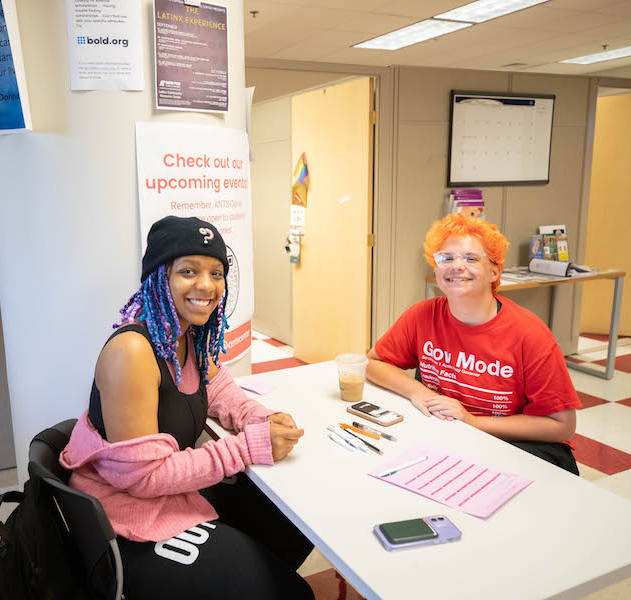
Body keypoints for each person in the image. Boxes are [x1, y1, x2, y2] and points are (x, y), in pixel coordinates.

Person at [59, 216, 315, 599]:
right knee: (291, 593)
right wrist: (249, 447)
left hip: (169, 498)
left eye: (216, 272)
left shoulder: (188, 338)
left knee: (297, 525)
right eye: (189, 271)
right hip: (125, 521)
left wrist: (258, 418)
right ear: (159, 278)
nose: (207, 286)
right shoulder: (132, 352)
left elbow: (224, 391)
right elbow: (144, 479)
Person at [366, 213, 581, 474]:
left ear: (495, 271)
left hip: (513, 449)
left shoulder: (530, 334)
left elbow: (562, 425)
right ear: (436, 268)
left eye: (470, 258)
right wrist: (420, 392)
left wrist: (472, 421)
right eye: (446, 258)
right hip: (450, 440)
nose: (456, 266)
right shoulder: (421, 316)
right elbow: (373, 362)